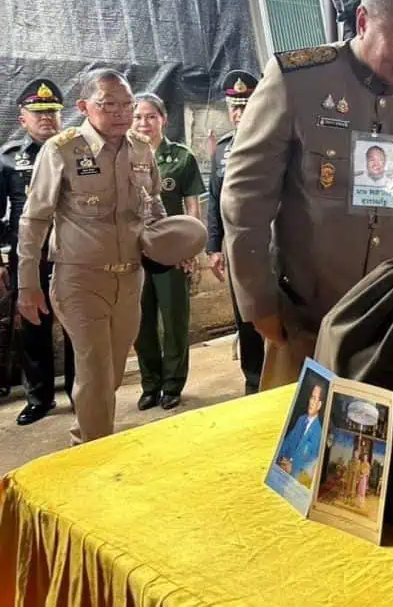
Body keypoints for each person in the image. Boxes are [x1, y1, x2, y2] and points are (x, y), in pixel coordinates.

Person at [222, 0, 393, 390]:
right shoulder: (299, 83)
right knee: (299, 446)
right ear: (363, 21)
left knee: (388, 446)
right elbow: (246, 198)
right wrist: (258, 301)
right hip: (306, 320)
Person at [16, 69, 206, 444]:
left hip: (130, 277)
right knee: (96, 369)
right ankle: (94, 452)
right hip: (80, 279)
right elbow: (34, 219)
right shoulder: (62, 150)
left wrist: (173, 246)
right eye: (108, 105)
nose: (120, 112)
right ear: (85, 107)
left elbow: (152, 209)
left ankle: (84, 435)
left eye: (126, 104)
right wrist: (28, 285)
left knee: (113, 371)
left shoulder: (140, 149)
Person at [0, 79, 75, 425]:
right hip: (29, 255)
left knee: (78, 322)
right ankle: (40, 397)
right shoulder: (8, 161)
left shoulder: (77, 151)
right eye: (38, 112)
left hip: (74, 251)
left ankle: (80, 390)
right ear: (22, 118)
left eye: (52, 112)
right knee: (33, 325)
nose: (46, 118)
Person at [131, 93, 205, 411]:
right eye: (138, 117)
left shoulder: (182, 157)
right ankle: (151, 383)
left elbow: (192, 207)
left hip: (171, 252)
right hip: (133, 253)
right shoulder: (121, 155)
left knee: (174, 319)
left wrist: (192, 248)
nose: (144, 123)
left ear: (164, 119)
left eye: (150, 116)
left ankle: (173, 383)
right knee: (139, 320)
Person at [206, 69, 264, 395]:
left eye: (247, 105)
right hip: (238, 245)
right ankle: (253, 381)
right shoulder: (221, 150)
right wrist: (214, 247)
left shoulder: (277, 140)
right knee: (245, 314)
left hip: (274, 243)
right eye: (235, 107)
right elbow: (214, 198)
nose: (240, 113)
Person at [277, 382, 324, 483]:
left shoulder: (319, 433)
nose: (311, 402)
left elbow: (311, 468)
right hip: (280, 472)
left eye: (315, 399)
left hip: (293, 483)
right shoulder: (300, 419)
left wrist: (292, 469)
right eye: (311, 397)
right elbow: (287, 442)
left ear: (319, 405)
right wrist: (280, 459)